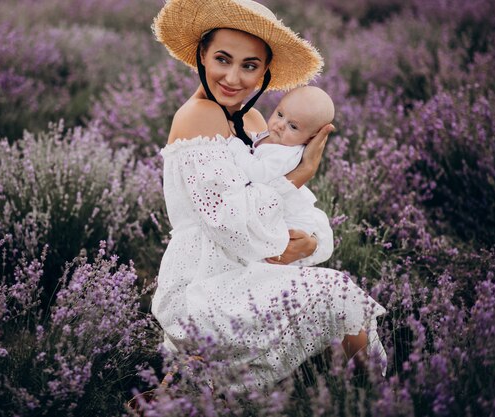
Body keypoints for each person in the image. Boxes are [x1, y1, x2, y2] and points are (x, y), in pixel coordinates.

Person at [151, 0, 386, 389]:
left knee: (339, 301)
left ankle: (365, 395)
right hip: (203, 285)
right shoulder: (197, 116)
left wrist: (309, 242)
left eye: (249, 65)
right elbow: (230, 225)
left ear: (264, 72)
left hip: (249, 270)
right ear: (201, 55)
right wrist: (302, 172)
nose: (233, 77)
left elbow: (289, 208)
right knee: (339, 295)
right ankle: (383, 397)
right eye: (222, 59)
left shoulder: (257, 122)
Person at [228, 86, 336, 266]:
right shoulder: (277, 138)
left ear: (311, 138)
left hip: (290, 221)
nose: (279, 125)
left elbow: (256, 173)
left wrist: (235, 146)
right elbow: (257, 144)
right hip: (271, 211)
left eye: (293, 126)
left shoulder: (286, 153)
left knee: (267, 261)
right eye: (279, 114)